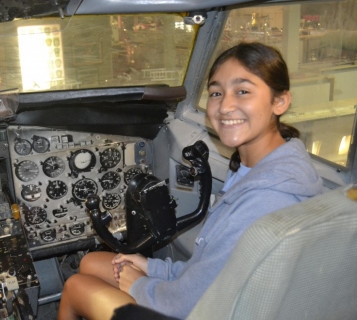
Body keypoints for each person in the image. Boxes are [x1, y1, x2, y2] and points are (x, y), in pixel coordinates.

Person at [57, 42, 323, 320]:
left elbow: (186, 304)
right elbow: (213, 269)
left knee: (77, 286)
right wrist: (154, 268)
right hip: (223, 298)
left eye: (242, 91)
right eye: (216, 93)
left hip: (210, 311)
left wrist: (137, 284)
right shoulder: (266, 168)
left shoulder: (267, 197)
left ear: (279, 101)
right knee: (91, 261)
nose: (225, 106)